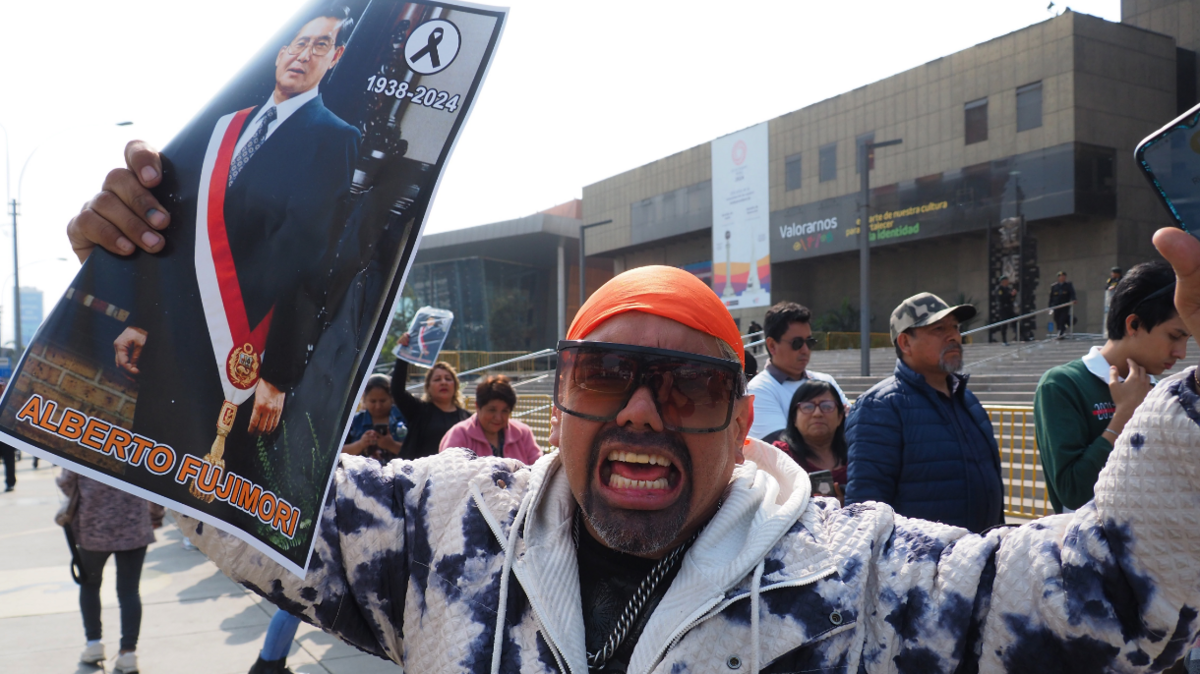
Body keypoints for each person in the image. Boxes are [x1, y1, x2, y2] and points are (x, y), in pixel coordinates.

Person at [74, 147, 1200, 674]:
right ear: (563, 395)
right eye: (608, 374)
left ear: (739, 418)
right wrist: (134, 283)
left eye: (693, 383)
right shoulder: (442, 533)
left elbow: (1103, 589)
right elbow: (214, 479)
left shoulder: (859, 583)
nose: (647, 413)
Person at [63, 6, 360, 503]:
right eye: (299, 43)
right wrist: (142, 319)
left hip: (244, 356)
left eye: (321, 46)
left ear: (335, 59)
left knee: (216, 500)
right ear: (280, 53)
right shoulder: (226, 127)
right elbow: (182, 238)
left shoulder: (334, 138)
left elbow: (311, 261)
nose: (305, 54)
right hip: (174, 337)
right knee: (157, 470)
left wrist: (277, 374)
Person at [1034, 261, 1189, 513]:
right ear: (1134, 325)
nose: (1181, 353)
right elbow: (1073, 491)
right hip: (1090, 546)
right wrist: (1124, 415)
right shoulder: (1063, 384)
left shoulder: (1164, 392)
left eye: (1187, 339)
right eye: (1174, 336)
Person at [844, 292, 1004, 533]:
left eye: (955, 327)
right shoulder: (880, 407)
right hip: (920, 566)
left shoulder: (967, 400)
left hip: (981, 559)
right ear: (905, 343)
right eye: (938, 329)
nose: (953, 336)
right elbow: (865, 512)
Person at [58, 470, 163, 674]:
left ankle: (94, 643)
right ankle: (128, 653)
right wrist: (156, 514)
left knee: (90, 585)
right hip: (135, 525)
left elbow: (66, 481)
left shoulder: (83, 440)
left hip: (94, 525)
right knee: (129, 591)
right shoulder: (141, 439)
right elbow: (155, 481)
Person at [746, 301, 845, 439]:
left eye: (809, 342)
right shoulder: (758, 390)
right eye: (797, 343)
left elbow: (854, 428)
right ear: (772, 345)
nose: (805, 350)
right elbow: (782, 449)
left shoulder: (826, 381)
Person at [389, 338, 470, 460]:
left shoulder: (467, 418)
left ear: (456, 386)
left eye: (448, 379)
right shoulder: (418, 411)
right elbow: (397, 390)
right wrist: (404, 353)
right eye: (437, 379)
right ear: (428, 387)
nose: (443, 382)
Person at [770, 380, 848, 502]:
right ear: (794, 418)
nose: (817, 414)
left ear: (840, 417)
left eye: (827, 406)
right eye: (807, 407)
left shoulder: (856, 455)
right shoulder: (781, 456)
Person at [440, 375, 541, 463]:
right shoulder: (459, 434)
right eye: (492, 410)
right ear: (477, 407)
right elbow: (449, 475)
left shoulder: (523, 433)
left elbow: (539, 470)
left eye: (505, 411)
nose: (498, 418)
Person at [341, 373, 407, 463]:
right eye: (373, 401)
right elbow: (338, 452)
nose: (378, 406)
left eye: (383, 401)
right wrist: (360, 444)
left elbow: (418, 452)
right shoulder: (354, 421)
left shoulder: (405, 418)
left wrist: (392, 445)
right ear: (364, 400)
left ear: (391, 398)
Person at [1048, 270, 1077, 338]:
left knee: (1062, 318)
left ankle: (1061, 331)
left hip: (1064, 305)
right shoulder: (1054, 286)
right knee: (1056, 319)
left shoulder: (1068, 285)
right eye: (1061, 276)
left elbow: (1072, 293)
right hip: (1056, 306)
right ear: (1058, 278)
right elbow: (1051, 297)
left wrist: (1074, 299)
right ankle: (1060, 331)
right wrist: (1050, 307)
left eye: (1063, 276)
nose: (1062, 277)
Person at [992, 274, 1017, 345]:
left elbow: (1011, 299)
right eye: (1006, 281)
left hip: (1009, 308)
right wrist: (1010, 295)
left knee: (1014, 322)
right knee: (1004, 324)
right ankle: (1004, 340)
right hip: (1003, 309)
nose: (1007, 282)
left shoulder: (1008, 289)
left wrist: (1013, 295)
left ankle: (1019, 336)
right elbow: (1001, 298)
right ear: (1003, 281)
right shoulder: (999, 289)